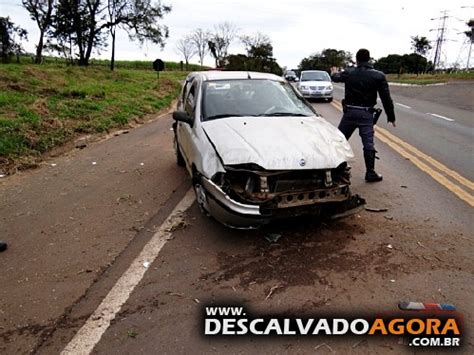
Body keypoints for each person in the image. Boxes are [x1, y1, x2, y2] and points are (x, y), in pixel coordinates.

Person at [331, 48, 396, 182]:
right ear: (369, 59)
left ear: (357, 59)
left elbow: (336, 78)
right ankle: (370, 172)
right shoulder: (378, 76)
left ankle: (334, 169)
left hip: (349, 113)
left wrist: (333, 72)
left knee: (339, 140)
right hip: (366, 113)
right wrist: (391, 117)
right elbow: (386, 98)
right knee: (368, 143)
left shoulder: (349, 73)